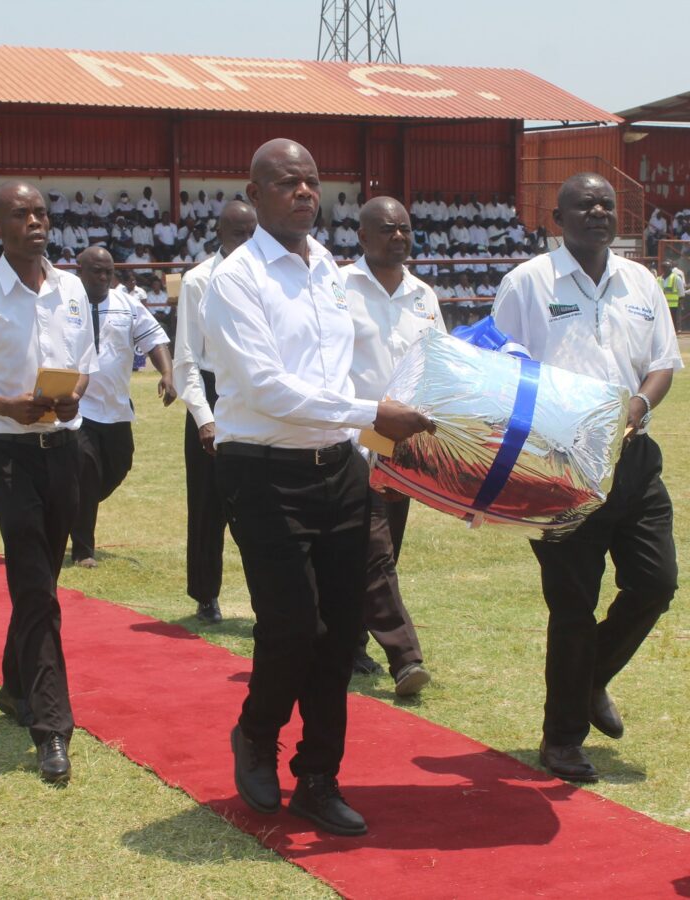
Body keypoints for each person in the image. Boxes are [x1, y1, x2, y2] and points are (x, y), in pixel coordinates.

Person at [201, 138, 433, 836]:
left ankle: (319, 777)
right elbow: (267, 388)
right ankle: (256, 732)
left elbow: (347, 371)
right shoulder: (234, 280)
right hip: (263, 468)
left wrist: (386, 433)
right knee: (293, 625)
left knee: (340, 634)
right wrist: (372, 416)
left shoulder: (327, 268)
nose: (303, 192)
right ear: (255, 191)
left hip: (339, 465)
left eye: (311, 182)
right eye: (285, 183)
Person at [493, 173, 682, 784]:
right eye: (584, 204)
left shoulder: (641, 281)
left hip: (633, 457)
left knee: (656, 582)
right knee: (572, 605)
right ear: (558, 217)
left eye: (606, 203)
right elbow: (502, 366)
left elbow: (662, 363)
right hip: (559, 464)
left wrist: (639, 407)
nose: (598, 211)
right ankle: (562, 740)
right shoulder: (527, 283)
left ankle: (591, 677)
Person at [0, 181, 98, 784]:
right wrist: (9, 407)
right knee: (35, 585)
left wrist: (68, 395)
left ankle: (13, 685)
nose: (35, 221)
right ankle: (52, 728)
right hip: (6, 454)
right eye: (20, 214)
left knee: (42, 578)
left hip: (63, 448)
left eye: (41, 212)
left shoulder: (72, 287)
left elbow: (82, 364)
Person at [344, 197, 445, 695]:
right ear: (362, 236)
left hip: (403, 448)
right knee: (374, 549)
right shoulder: (337, 289)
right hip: (351, 442)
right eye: (388, 229)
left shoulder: (424, 296)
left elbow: (440, 364)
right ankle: (405, 657)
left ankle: (346, 643)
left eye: (405, 229)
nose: (399, 237)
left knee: (381, 551)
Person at [174, 200, 257, 624]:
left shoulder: (266, 275)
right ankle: (206, 594)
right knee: (207, 504)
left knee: (257, 501)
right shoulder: (197, 281)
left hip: (253, 390)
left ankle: (268, 594)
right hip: (211, 392)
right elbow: (186, 359)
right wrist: (204, 418)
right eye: (237, 233)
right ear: (220, 234)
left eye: (251, 232)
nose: (244, 241)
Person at [69, 248, 175, 568]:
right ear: (80, 272)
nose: (103, 278)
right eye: (96, 272)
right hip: (78, 408)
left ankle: (70, 506)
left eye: (108, 271)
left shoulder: (127, 304)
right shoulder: (65, 304)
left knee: (119, 466)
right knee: (87, 471)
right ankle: (83, 550)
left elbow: (153, 339)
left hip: (116, 408)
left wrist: (167, 373)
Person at [657, 259, 684, 332]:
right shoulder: (659, 279)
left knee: (672, 320)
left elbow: (681, 291)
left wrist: (680, 300)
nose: (665, 269)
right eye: (663, 267)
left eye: (666, 267)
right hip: (662, 304)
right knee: (663, 320)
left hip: (673, 304)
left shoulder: (676, 278)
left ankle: (673, 332)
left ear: (670, 268)